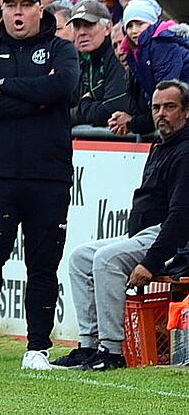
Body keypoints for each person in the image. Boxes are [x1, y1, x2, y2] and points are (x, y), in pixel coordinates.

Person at [0, 0, 80, 370]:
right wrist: (36, 100)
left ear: (40, 8)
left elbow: (62, 87)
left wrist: (8, 88)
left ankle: (37, 347)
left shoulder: (62, 49)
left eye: (24, 5)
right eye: (10, 5)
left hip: (48, 174)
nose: (17, 12)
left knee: (43, 263)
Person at [52, 80, 189, 371]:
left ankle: (111, 351)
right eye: (156, 107)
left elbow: (181, 217)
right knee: (81, 257)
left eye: (169, 107)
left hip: (170, 239)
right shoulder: (162, 144)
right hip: (144, 234)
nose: (160, 113)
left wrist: (150, 263)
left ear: (186, 112)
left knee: (106, 260)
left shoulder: (185, 151)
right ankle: (88, 345)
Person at [108, 0, 189, 137]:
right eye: (129, 26)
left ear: (152, 23)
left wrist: (133, 123)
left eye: (139, 24)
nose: (134, 31)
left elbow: (166, 92)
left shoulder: (162, 45)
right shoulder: (136, 53)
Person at [67, 0, 130, 127]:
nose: (82, 32)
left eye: (88, 25)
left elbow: (111, 111)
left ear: (108, 28)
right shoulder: (78, 59)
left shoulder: (117, 56)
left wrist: (84, 103)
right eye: (77, 26)